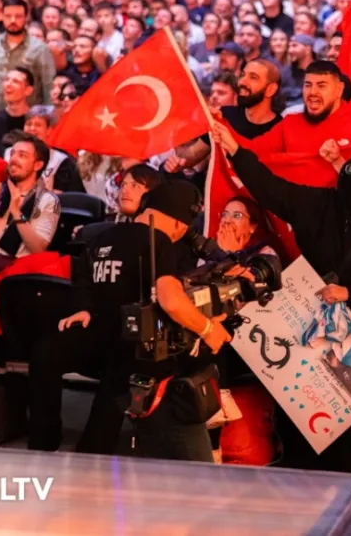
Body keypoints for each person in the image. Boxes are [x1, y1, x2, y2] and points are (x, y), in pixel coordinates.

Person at [210, 122, 351, 472]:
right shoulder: (320, 204)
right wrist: (235, 151)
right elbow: (271, 189)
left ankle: (339, 484)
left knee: (341, 428)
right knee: (294, 416)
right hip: (305, 324)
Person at [30, 179, 227, 461]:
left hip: (97, 332)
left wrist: (84, 308)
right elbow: (171, 300)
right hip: (131, 344)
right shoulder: (159, 242)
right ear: (178, 223)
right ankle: (91, 457)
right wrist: (207, 329)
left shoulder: (102, 236)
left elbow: (84, 279)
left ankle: (42, 443)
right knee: (120, 375)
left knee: (45, 353)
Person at [247, 61, 351, 186]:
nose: (313, 92)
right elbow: (250, 152)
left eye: (321, 86)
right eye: (308, 85)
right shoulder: (290, 123)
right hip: (294, 203)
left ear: (339, 90)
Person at [0, 135, 60, 267]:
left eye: (22, 155)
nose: (13, 159)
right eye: (12, 153)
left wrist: (18, 214)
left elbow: (38, 249)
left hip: (22, 271)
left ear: (38, 165)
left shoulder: (47, 200)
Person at [0, 0, 55, 116]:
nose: (13, 20)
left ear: (26, 18)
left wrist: (45, 117)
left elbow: (48, 86)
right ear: (2, 16)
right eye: (8, 16)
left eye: (18, 16)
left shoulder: (40, 49)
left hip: (28, 117)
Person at [0, 66, 36, 150]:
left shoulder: (34, 123)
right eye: (6, 80)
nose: (8, 84)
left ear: (28, 90)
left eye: (15, 81)